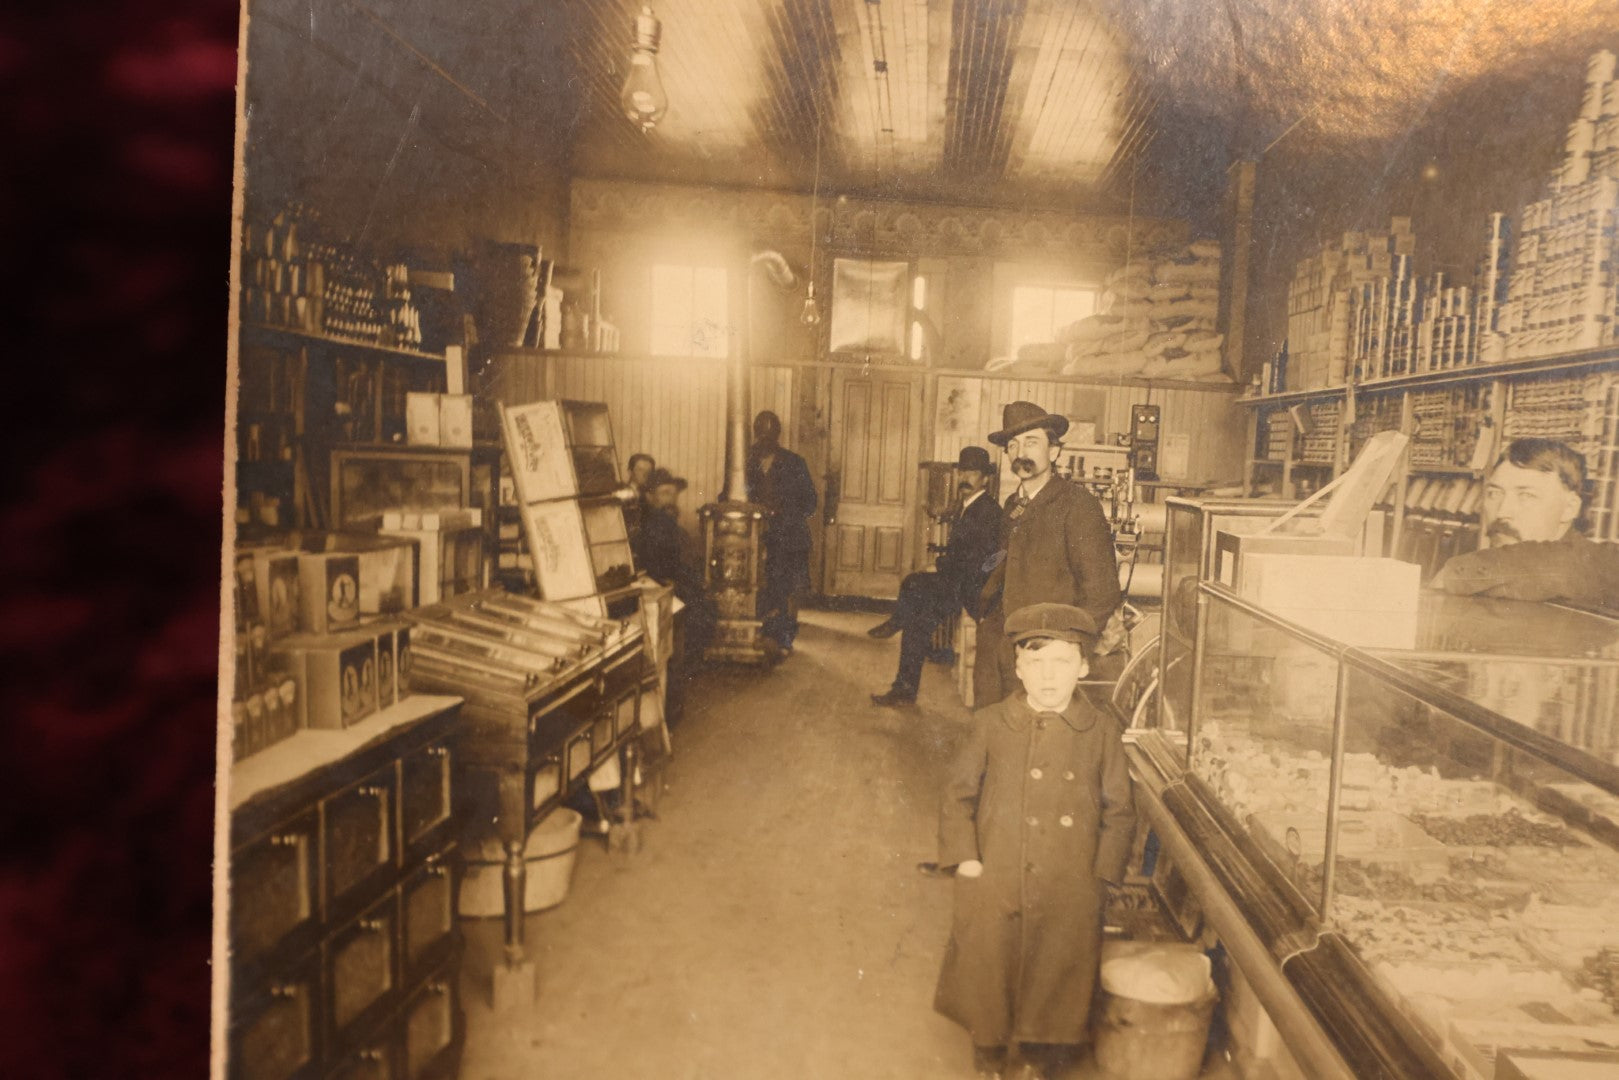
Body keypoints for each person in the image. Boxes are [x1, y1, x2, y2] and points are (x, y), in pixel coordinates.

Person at [935, 602, 1136, 1080]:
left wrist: (1102, 876)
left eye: (1063, 662)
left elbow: (1121, 810)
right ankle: (988, 1048)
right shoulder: (990, 724)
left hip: (1070, 878)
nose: (1049, 677)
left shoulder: (1102, 732)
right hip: (996, 871)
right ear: (1019, 668)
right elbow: (958, 795)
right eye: (1037, 663)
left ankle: (1036, 1052)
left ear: (1084, 667)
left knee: (1055, 969)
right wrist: (965, 858)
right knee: (990, 962)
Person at [973, 401, 1121, 710]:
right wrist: (984, 609)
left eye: (1031, 442)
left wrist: (1067, 648)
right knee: (993, 731)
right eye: (1012, 445)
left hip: (1045, 653)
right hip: (998, 645)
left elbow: (1103, 593)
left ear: (1053, 451)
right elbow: (1002, 561)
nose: (1020, 452)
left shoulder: (1078, 506)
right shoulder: (1014, 503)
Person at [870, 446, 1003, 706]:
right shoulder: (968, 506)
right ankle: (905, 687)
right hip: (960, 581)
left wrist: (941, 565)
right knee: (917, 620)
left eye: (973, 473)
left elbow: (982, 560)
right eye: (962, 471)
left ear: (985, 478)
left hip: (972, 588)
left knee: (913, 584)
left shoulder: (987, 511)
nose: (965, 478)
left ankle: (897, 628)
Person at [1430, 438, 1619, 612]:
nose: (1503, 512)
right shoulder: (1499, 580)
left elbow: (1572, 564)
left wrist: (1456, 573)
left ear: (1570, 508)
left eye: (1527, 496)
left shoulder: (1594, 565)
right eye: (1494, 494)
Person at [745, 410, 817, 653]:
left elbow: (810, 503)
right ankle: (757, 634)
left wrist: (784, 512)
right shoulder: (742, 462)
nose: (765, 440)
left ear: (778, 435)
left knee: (784, 586)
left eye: (770, 434)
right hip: (754, 536)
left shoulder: (795, 462)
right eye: (761, 434)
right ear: (755, 434)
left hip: (787, 537)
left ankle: (783, 637)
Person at [624, 452, 657, 544]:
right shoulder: (622, 494)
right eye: (640, 470)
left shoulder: (652, 497)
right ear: (630, 472)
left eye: (649, 471)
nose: (645, 474)